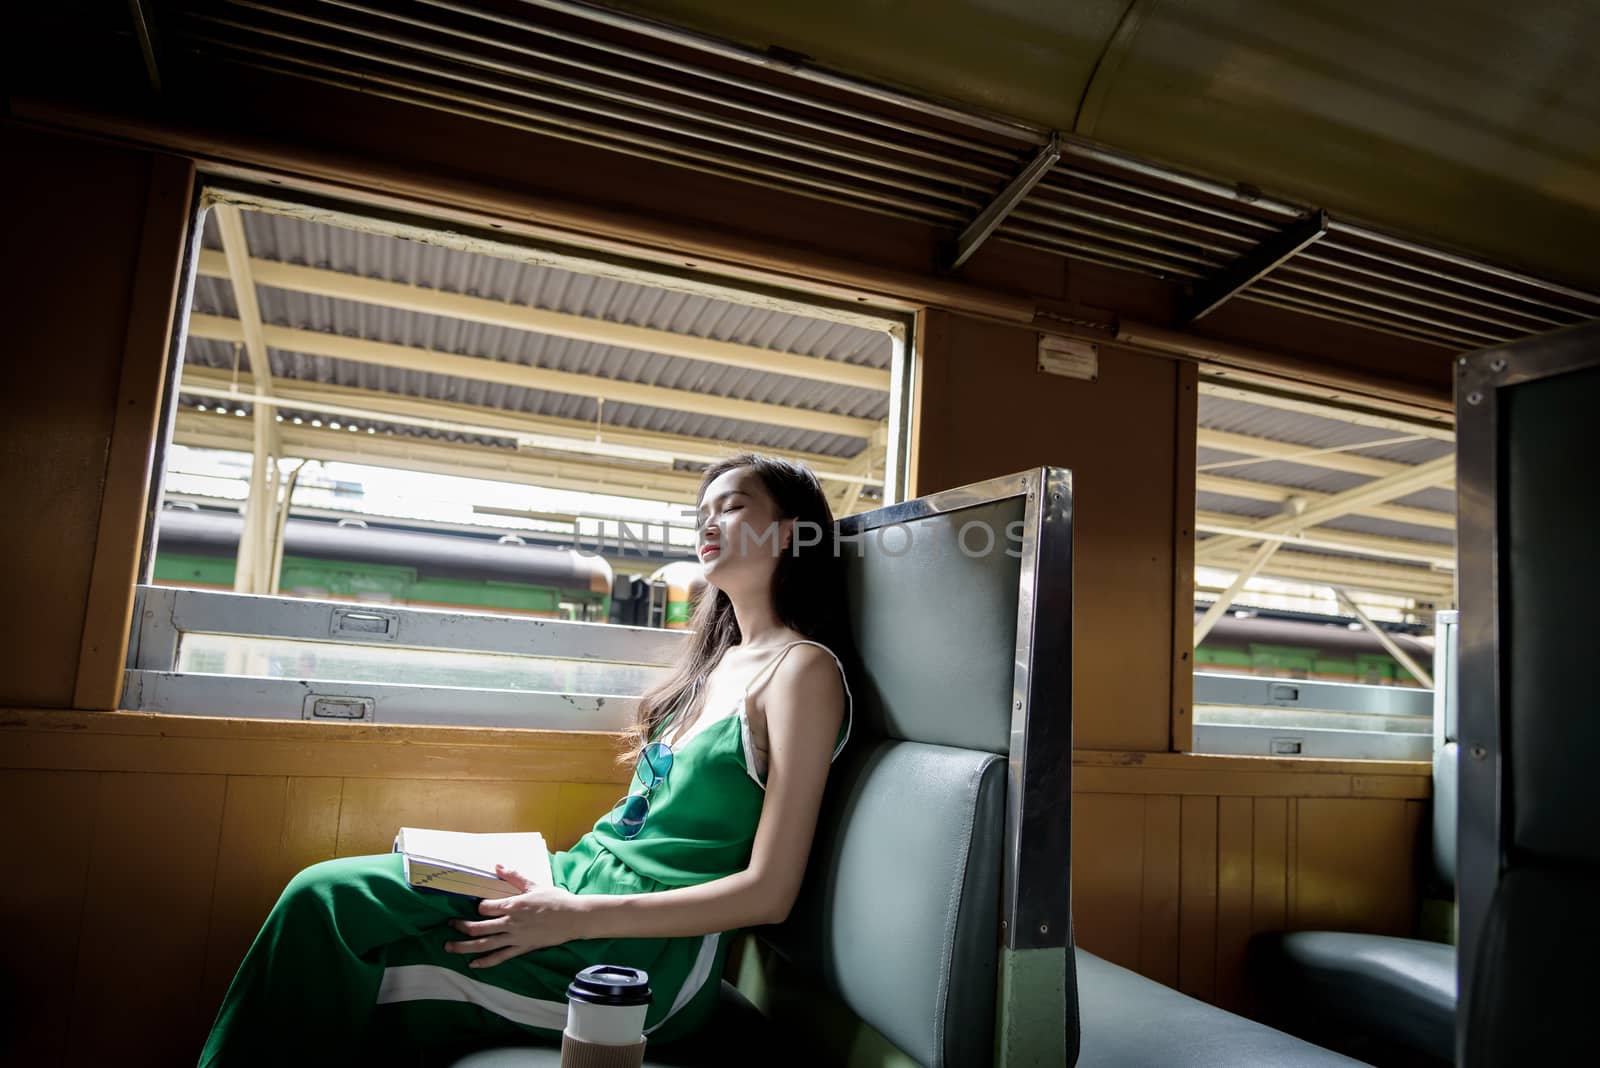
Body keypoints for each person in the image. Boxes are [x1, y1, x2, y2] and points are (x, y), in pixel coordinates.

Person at [198, 453, 856, 1065]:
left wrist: (570, 917)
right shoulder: (713, 667)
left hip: (640, 957)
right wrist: (554, 890)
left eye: (734, 506)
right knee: (324, 895)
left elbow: (770, 893)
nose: (708, 522)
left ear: (793, 535)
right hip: (573, 880)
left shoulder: (802, 673)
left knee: (343, 961)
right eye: (701, 511)